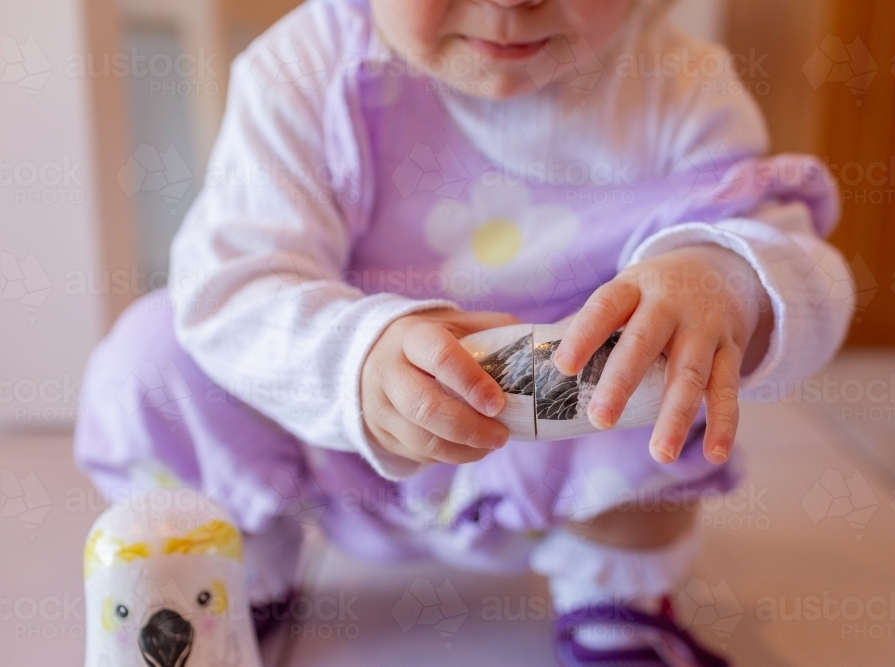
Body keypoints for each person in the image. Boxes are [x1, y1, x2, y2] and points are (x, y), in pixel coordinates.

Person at [75, 0, 854, 664]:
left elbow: (804, 270)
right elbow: (234, 283)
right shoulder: (310, 69)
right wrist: (357, 357)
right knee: (154, 357)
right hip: (336, 455)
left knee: (667, 358)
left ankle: (615, 587)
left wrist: (725, 277)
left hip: (573, 453)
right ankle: (247, 561)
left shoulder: (681, 90)